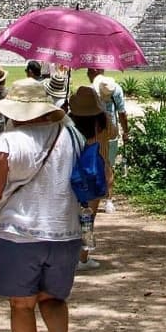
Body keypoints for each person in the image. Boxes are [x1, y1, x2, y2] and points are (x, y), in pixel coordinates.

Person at [0, 78, 85, 332]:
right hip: (65, 232)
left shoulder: (7, 142)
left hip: (19, 235)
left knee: (22, 305)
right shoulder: (72, 134)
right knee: (53, 299)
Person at [66, 84, 108, 271]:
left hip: (72, 172)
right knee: (89, 217)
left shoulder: (69, 125)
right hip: (95, 173)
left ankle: (68, 252)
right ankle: (83, 257)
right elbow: (113, 133)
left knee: (69, 213)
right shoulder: (103, 123)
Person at [87, 67, 130, 213]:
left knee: (92, 164)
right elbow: (122, 113)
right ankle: (109, 200)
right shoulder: (116, 88)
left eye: (88, 71)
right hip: (111, 131)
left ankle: (92, 198)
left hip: (93, 131)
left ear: (94, 72)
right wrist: (126, 131)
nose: (87, 74)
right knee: (108, 165)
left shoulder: (91, 90)